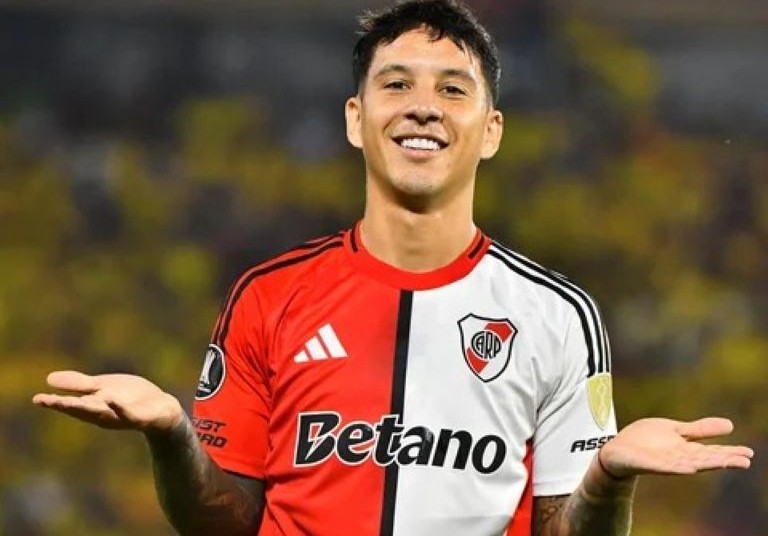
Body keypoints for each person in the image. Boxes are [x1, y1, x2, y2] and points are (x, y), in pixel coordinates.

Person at [32, 1, 753, 535]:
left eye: (452, 89)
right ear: (355, 118)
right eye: (397, 84)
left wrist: (608, 478)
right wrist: (171, 436)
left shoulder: (559, 317)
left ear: (491, 131)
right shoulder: (268, 297)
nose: (423, 108)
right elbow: (222, 524)